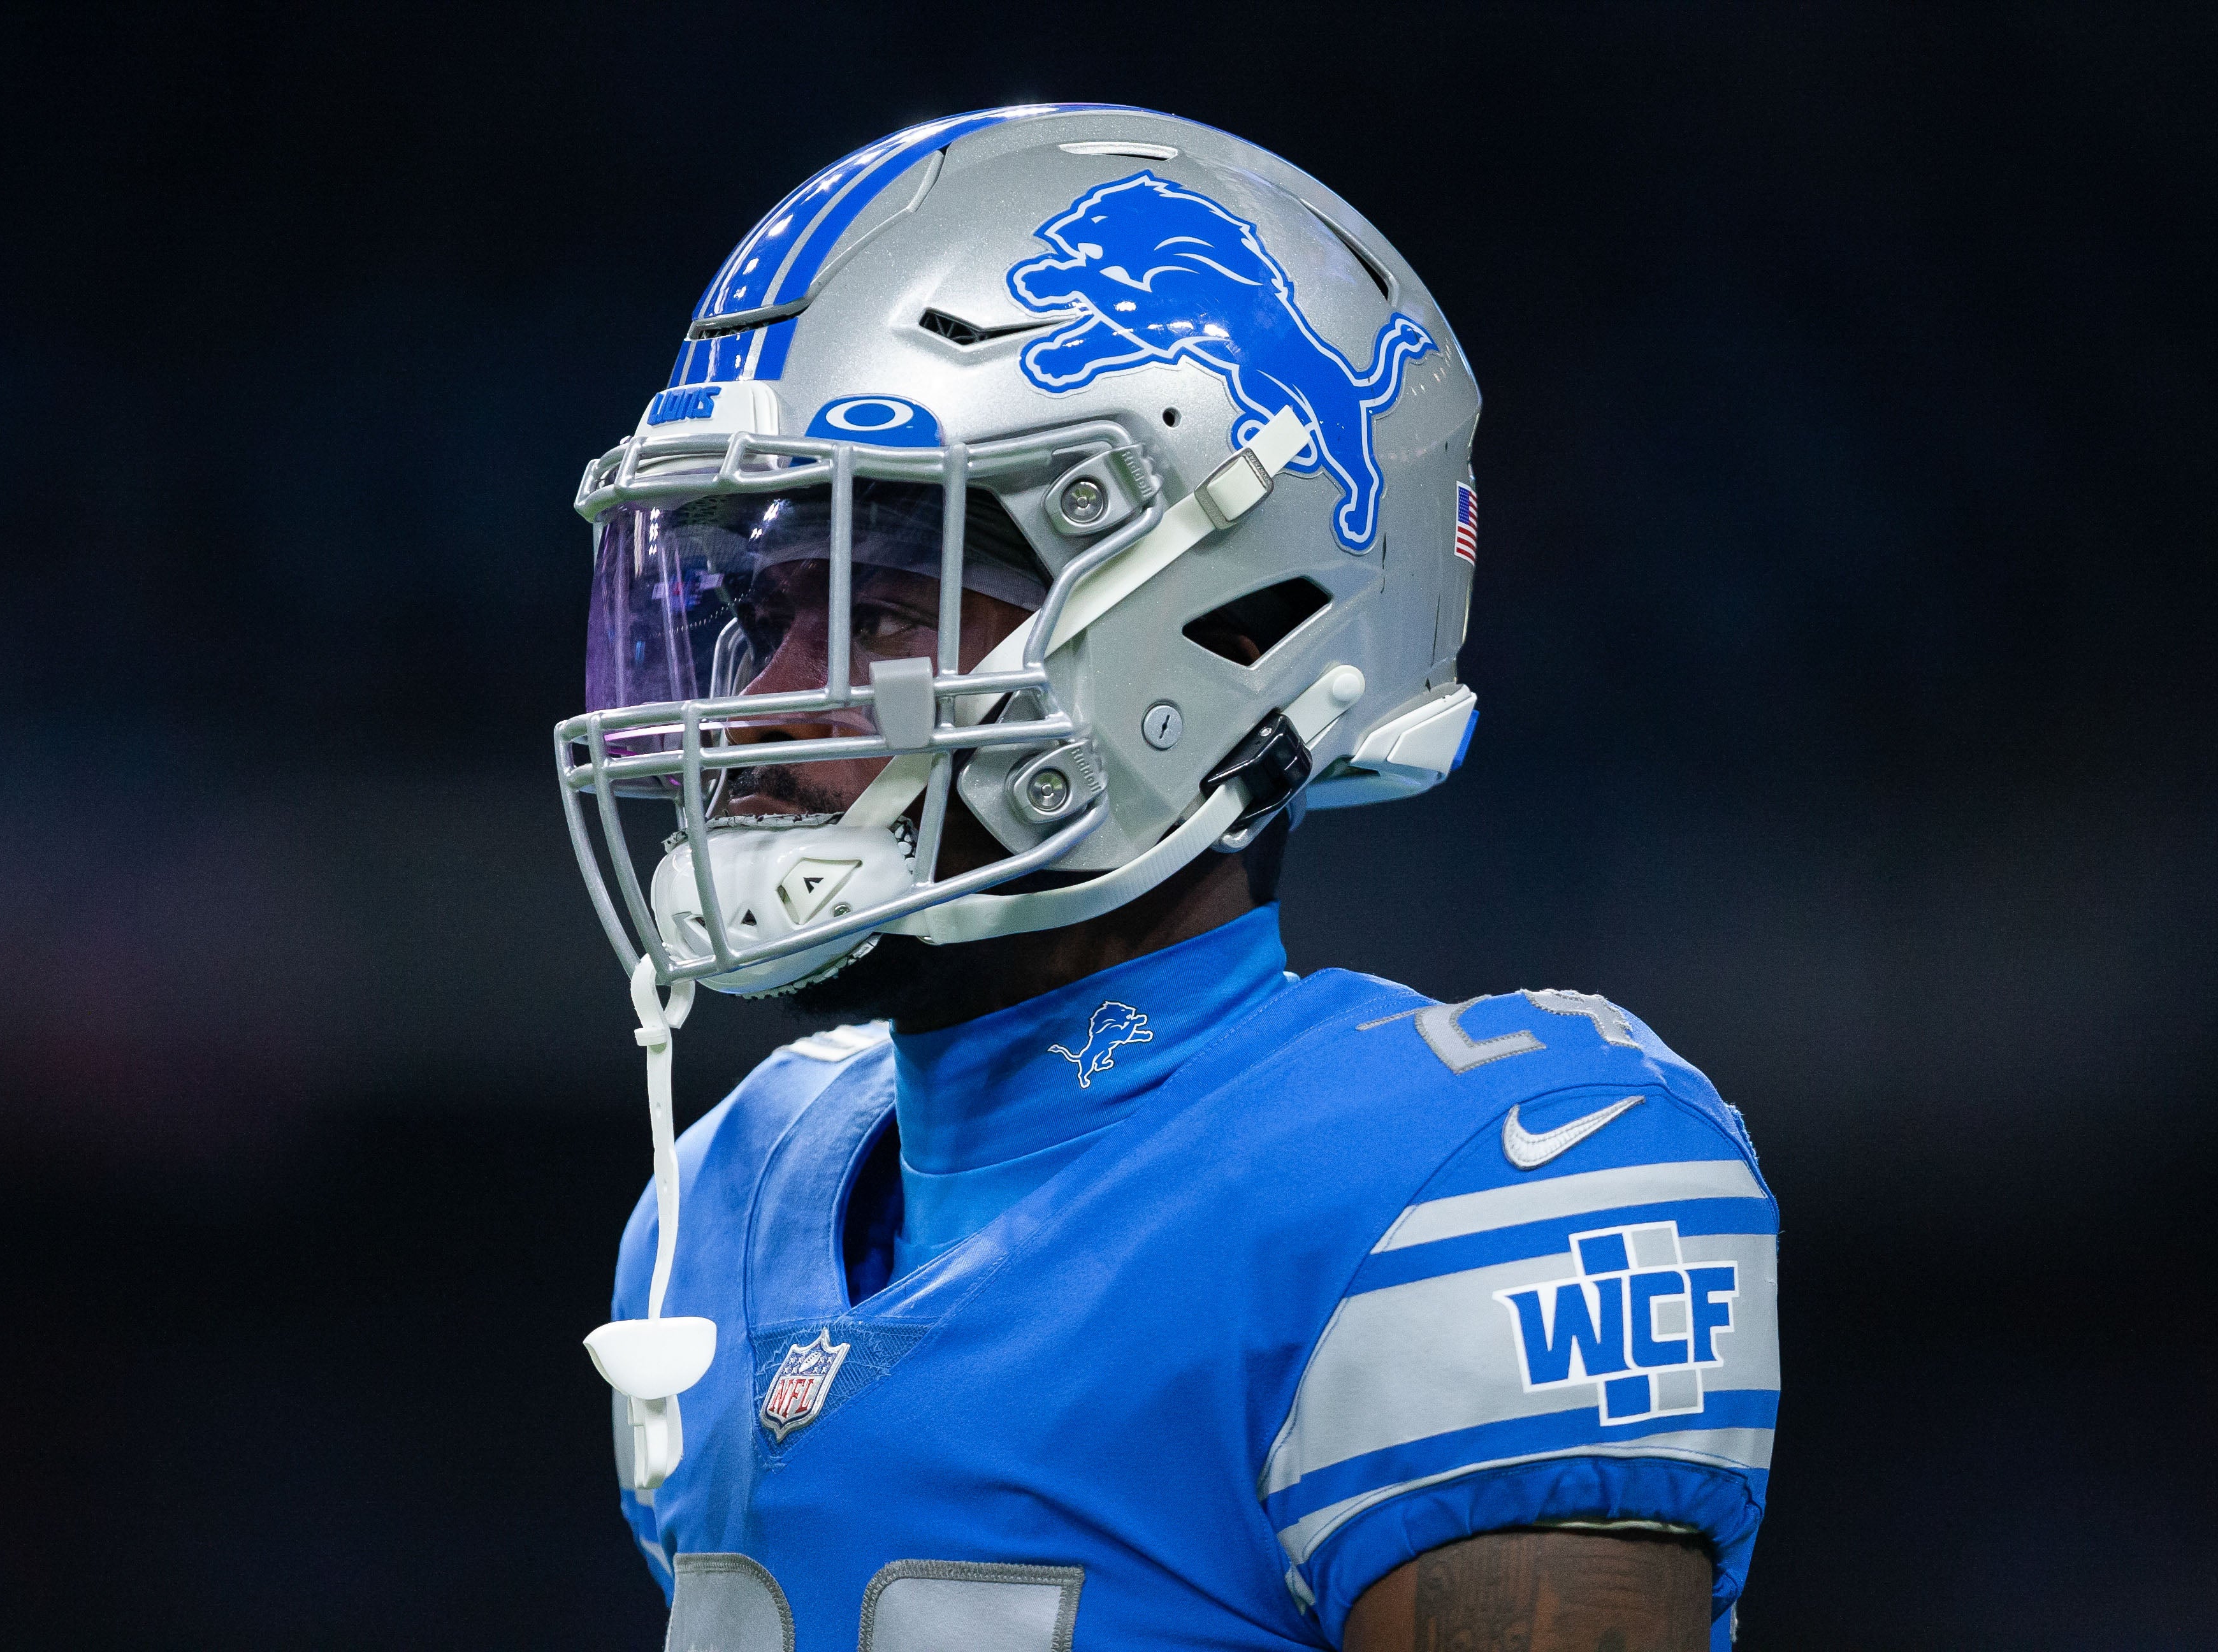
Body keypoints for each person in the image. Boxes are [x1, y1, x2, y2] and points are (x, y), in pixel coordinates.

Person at [556, 106, 1776, 1652]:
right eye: (764, 615)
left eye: (879, 611)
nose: (765, 706)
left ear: (1228, 632)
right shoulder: (732, 1195)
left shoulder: (1469, 1184)